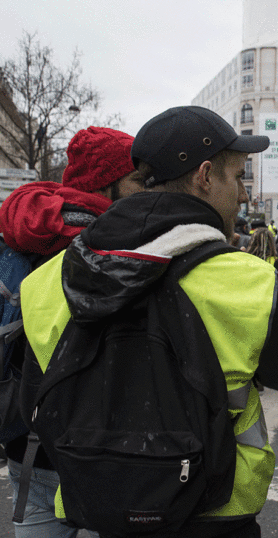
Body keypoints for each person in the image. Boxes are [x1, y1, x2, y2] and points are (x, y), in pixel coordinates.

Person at [19, 106, 278, 537]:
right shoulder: (247, 278)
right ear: (205, 176)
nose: (243, 195)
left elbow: (34, 405)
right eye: (237, 177)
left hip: (99, 510)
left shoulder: (50, 279)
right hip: (217, 511)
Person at [0, 126, 144, 538]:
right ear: (106, 185)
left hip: (26, 448)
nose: (147, 191)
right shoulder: (114, 250)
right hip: (100, 455)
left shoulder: (25, 234)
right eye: (138, 180)